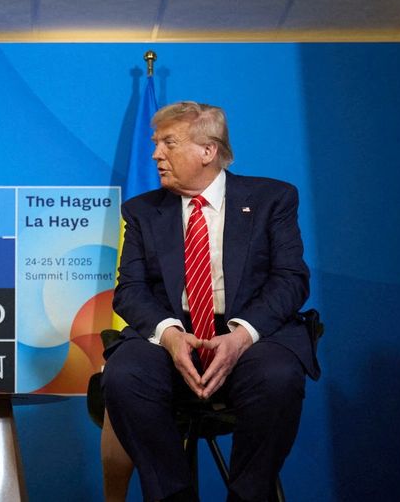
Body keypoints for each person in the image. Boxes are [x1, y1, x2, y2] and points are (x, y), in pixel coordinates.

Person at [102, 101, 320, 502]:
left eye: (168, 143)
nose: (156, 155)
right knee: (123, 375)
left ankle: (248, 495)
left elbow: (291, 279)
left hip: (248, 334)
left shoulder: (272, 199)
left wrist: (240, 336)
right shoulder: (142, 212)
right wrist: (170, 335)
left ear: (208, 150)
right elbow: (129, 290)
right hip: (172, 334)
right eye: (155, 143)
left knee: (278, 376)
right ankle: (172, 495)